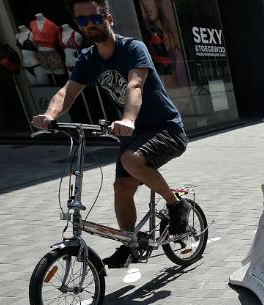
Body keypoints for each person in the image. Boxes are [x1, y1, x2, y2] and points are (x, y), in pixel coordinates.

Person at [32, 0, 193, 269]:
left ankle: (176, 205)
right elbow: (68, 93)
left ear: (109, 19)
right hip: (133, 135)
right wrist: (50, 116)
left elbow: (135, 84)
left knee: (131, 160)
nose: (90, 25)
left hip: (167, 128)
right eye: (82, 21)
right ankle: (130, 243)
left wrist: (128, 118)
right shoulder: (88, 58)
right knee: (121, 187)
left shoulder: (132, 48)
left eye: (94, 18)